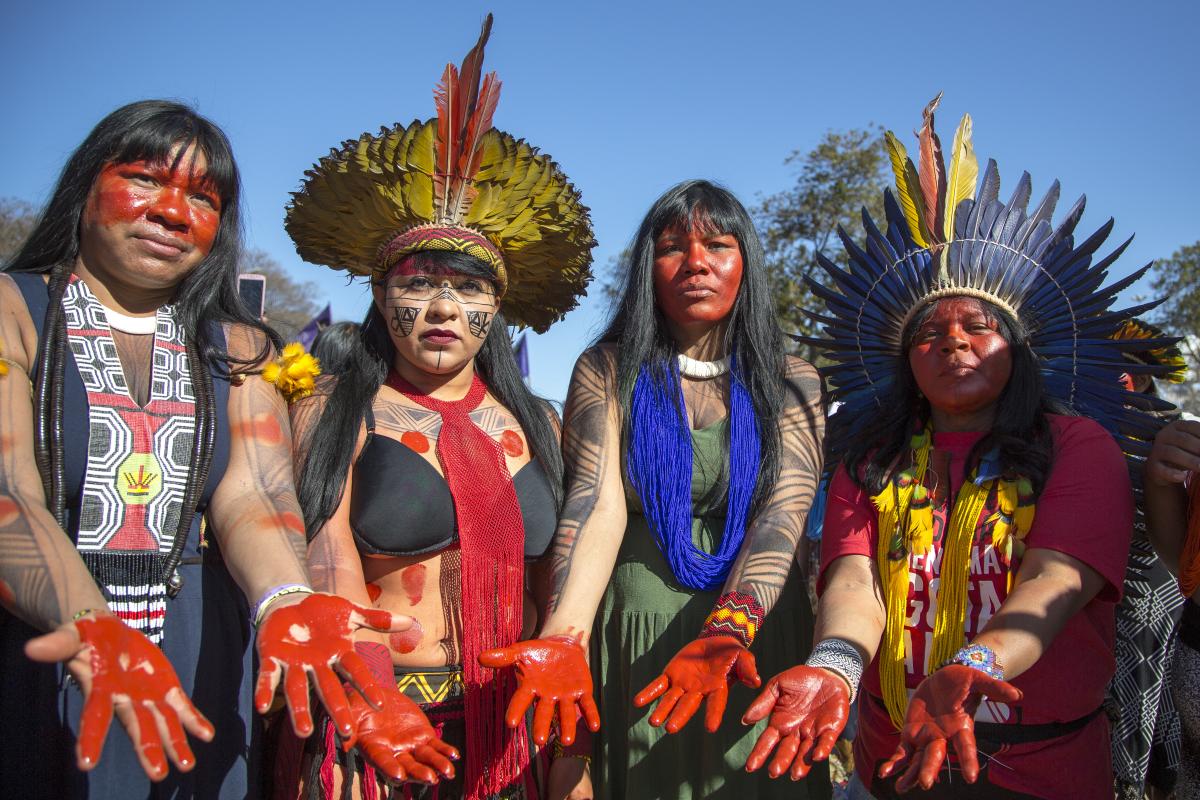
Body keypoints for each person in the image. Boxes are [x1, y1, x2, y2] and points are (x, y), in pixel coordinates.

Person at [738, 96, 1167, 799]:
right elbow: (855, 584)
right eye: (928, 333)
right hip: (891, 760)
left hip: (1040, 772)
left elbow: (1054, 585)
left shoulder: (1077, 447)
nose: (953, 339)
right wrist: (836, 666)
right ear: (904, 359)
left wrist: (975, 662)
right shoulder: (871, 456)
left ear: (1020, 350)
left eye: (978, 325)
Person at [0, 100, 408, 799]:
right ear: (83, 185)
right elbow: (10, 491)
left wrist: (284, 599)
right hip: (46, 642)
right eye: (144, 179)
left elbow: (255, 491)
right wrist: (89, 623)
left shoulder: (241, 345)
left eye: (202, 197)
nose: (170, 211)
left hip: (200, 642)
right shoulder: (14, 310)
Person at [280, 15, 595, 800]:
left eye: (469, 287)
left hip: (514, 724)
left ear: (497, 306)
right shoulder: (337, 411)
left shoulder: (543, 426)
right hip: (379, 719)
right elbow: (328, 563)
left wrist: (567, 754)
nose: (443, 307)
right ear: (382, 298)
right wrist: (371, 704)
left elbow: (561, 590)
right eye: (417, 284)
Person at [481, 179, 829, 799]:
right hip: (631, 632)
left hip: (752, 633)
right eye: (673, 247)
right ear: (649, 268)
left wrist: (731, 627)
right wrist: (565, 638)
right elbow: (594, 506)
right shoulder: (609, 368)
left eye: (718, 245)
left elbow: (785, 512)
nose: (696, 262)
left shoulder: (792, 379)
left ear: (745, 261)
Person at [1108, 320, 1188, 800]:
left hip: (1157, 595)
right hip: (1103, 599)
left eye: (1124, 373)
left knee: (1154, 698)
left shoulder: (1170, 435)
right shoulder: (1077, 428)